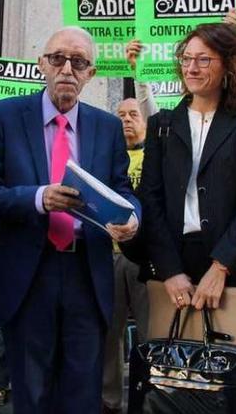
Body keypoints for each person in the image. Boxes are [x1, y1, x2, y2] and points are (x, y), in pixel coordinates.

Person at [0, 26, 140, 413]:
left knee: (83, 393)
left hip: (87, 271)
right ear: (41, 64)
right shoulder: (3, 116)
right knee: (32, 393)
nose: (67, 68)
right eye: (58, 58)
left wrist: (133, 218)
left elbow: (123, 189)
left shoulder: (108, 127)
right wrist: (38, 198)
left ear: (91, 73)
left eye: (78, 62)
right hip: (27, 272)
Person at [137, 22, 236, 350]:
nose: (191, 68)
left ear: (228, 65)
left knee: (226, 380)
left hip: (232, 268)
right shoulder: (161, 125)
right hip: (173, 266)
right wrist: (169, 271)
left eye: (204, 60)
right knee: (171, 377)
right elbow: (149, 201)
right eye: (186, 58)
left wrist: (221, 266)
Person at [101, 97, 150, 414]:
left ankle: (147, 399)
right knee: (109, 333)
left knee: (150, 333)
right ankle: (109, 400)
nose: (126, 120)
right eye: (120, 115)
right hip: (110, 255)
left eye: (133, 114)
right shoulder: (108, 157)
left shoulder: (156, 155)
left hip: (145, 257)